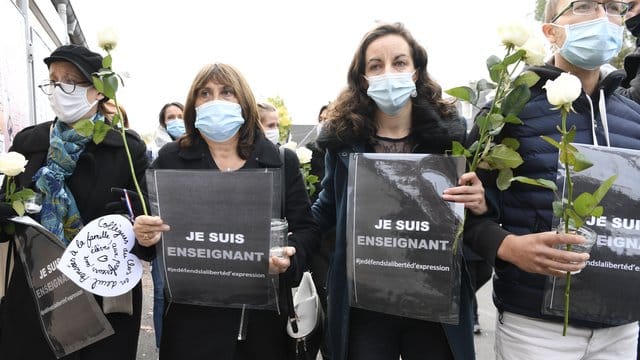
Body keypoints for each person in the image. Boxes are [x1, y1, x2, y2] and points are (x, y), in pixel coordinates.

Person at [466, 1, 640, 359]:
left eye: (611, 6)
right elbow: (464, 213)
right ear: (551, 31)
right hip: (536, 328)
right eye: (584, 6)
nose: (601, 17)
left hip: (621, 328)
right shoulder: (506, 112)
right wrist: (508, 247)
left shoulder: (634, 118)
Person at [311, 22, 489, 360]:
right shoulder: (343, 141)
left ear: (416, 71)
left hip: (432, 302)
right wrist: (286, 237)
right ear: (363, 78)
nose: (388, 72)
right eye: (375, 66)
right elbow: (326, 208)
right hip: (365, 303)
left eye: (399, 62)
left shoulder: (452, 140)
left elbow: (473, 213)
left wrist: (479, 203)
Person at [132, 62, 318, 360]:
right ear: (194, 104)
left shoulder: (281, 162)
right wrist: (143, 234)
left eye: (226, 92)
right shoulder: (171, 160)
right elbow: (149, 235)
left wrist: (288, 257)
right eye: (205, 93)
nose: (215, 100)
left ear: (243, 102)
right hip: (191, 327)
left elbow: (307, 229)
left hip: (262, 328)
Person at [0, 44, 153, 359]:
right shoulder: (30, 143)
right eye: (53, 81)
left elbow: (147, 234)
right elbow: (4, 223)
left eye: (69, 81)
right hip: (37, 291)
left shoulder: (125, 147)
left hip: (103, 296)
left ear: (97, 90)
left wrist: (131, 224)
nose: (58, 90)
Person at [146, 101, 185, 351]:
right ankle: (162, 347)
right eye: (171, 117)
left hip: (188, 232)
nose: (176, 120)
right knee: (161, 292)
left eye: (180, 115)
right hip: (163, 232)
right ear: (163, 123)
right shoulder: (154, 153)